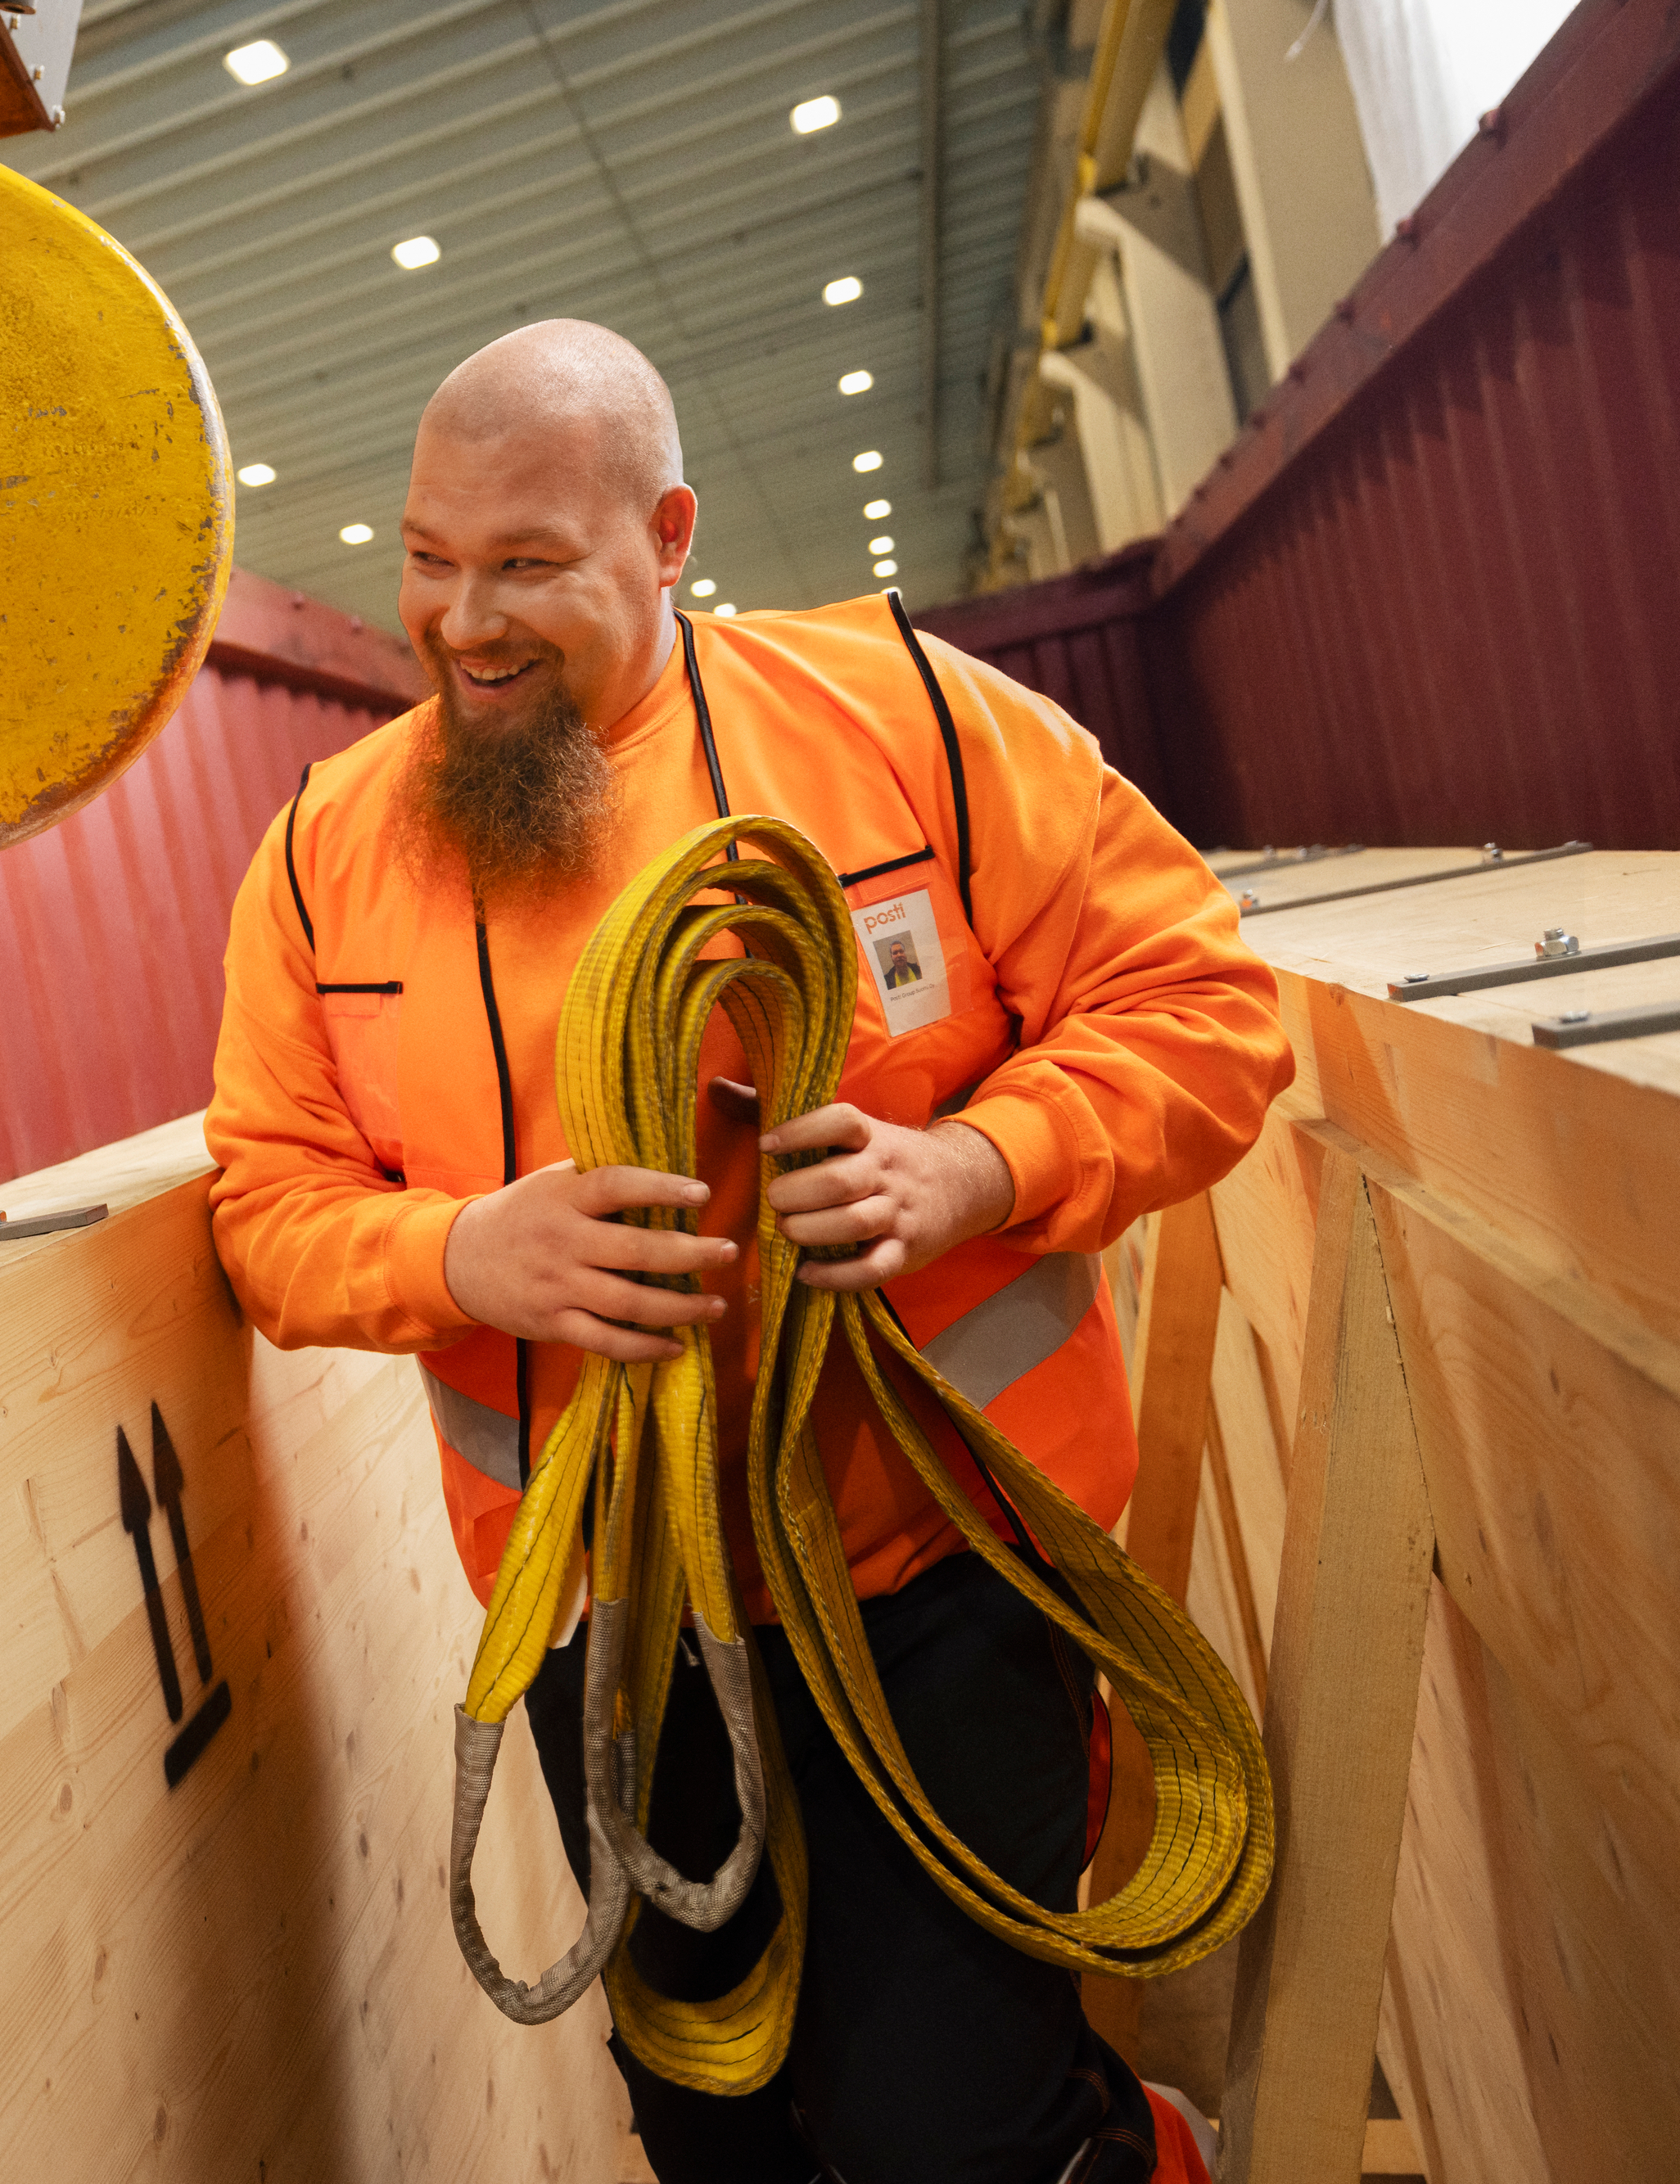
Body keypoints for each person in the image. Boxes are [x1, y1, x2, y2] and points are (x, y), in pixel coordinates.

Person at [205, 320, 1285, 2184]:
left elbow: (1201, 1007)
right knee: (712, 2128)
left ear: (668, 533)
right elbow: (265, 1203)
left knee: (950, 2131)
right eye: (425, 555)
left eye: (525, 563)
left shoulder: (908, 725)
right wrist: (464, 1253)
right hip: (601, 1623)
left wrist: (973, 1161)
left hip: (944, 1575)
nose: (460, 619)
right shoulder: (323, 857)